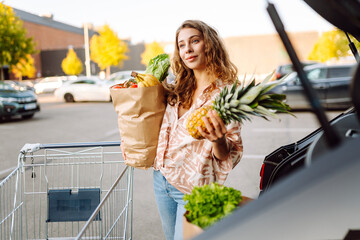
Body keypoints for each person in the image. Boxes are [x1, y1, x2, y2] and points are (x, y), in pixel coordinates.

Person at [153, 20, 243, 240]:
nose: (188, 49)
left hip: (193, 189)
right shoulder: (178, 86)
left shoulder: (226, 94)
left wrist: (218, 140)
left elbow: (230, 155)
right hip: (161, 178)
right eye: (182, 45)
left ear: (209, 44)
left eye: (194, 41)